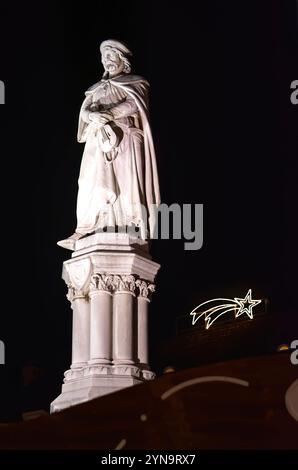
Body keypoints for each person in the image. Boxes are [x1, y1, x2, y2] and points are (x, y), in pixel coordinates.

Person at [57, 39, 160, 250]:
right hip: (98, 139)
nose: (107, 61)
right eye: (104, 57)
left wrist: (110, 114)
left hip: (126, 137)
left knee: (126, 182)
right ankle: (87, 227)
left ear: (122, 60)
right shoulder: (95, 89)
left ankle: (130, 225)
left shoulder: (136, 82)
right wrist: (91, 116)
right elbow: (84, 113)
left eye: (111, 56)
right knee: (88, 182)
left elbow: (135, 104)